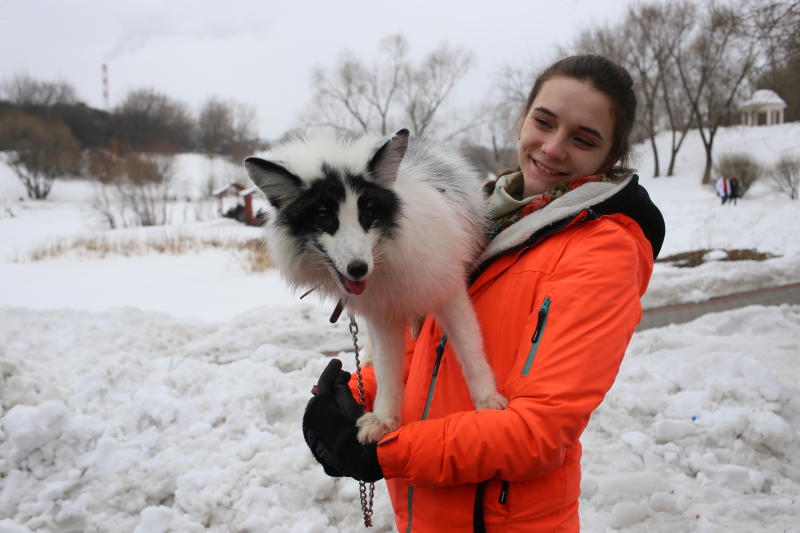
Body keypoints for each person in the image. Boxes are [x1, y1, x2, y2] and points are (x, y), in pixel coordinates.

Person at [302, 55, 665, 532]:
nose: (553, 148)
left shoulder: (602, 252)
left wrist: (386, 452)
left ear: (610, 156)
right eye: (544, 122)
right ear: (523, 118)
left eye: (583, 139)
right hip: (426, 510)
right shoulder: (484, 217)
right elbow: (427, 341)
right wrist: (358, 398)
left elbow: (539, 430)